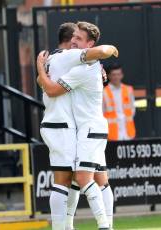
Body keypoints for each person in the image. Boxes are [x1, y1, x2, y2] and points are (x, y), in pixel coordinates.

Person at [37, 21, 118, 230]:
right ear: (68, 40)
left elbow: (43, 82)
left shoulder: (54, 61)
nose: (75, 41)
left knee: (82, 178)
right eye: (74, 37)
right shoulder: (71, 59)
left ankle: (93, 226)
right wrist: (109, 50)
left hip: (81, 128)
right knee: (79, 179)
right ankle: (100, 225)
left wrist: (40, 70)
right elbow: (52, 88)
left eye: (79, 38)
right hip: (69, 126)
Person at [103, 63, 136, 141]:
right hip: (112, 134)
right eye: (114, 75)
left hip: (128, 132)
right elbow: (101, 112)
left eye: (118, 74)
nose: (116, 77)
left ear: (122, 75)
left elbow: (132, 109)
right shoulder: (103, 92)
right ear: (109, 76)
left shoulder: (128, 90)